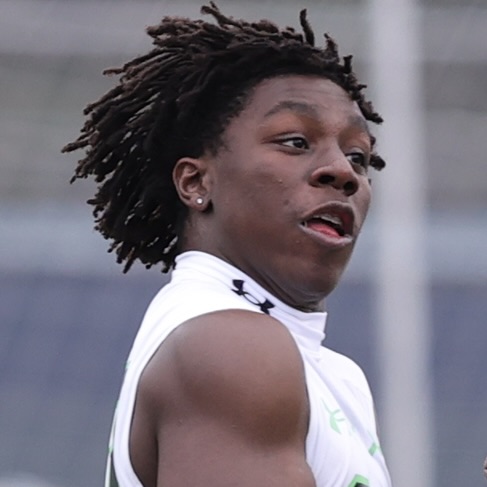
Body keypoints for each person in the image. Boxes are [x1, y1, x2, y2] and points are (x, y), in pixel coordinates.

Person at [63, 3, 391, 486]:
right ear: (196, 182)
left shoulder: (333, 373)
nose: (343, 172)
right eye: (295, 142)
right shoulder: (231, 345)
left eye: (358, 156)